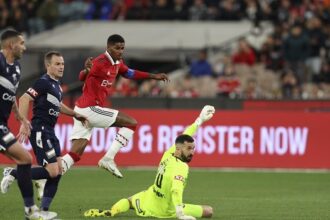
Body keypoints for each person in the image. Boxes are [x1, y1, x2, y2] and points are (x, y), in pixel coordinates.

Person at [60, 34, 169, 178]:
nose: (120, 51)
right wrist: (86, 70)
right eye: (117, 48)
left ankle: (45, 177)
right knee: (131, 123)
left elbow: (129, 73)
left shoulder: (117, 63)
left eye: (122, 48)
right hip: (90, 109)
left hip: (81, 109)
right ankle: (108, 159)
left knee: (75, 153)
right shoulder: (99, 62)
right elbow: (82, 77)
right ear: (108, 48)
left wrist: (153, 76)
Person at [84, 105, 215, 220]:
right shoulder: (181, 167)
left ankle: (112, 211)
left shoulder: (169, 153)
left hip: (149, 198)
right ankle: (175, 212)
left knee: (129, 201)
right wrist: (180, 213)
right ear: (179, 149)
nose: (192, 152)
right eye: (189, 149)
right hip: (165, 210)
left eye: (193, 148)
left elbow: (186, 134)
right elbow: (176, 190)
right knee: (209, 211)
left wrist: (200, 120)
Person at [1, 51, 88, 218]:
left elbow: (59, 105)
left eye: (62, 64)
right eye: (57, 64)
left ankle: (44, 211)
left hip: (50, 131)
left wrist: (75, 114)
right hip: (41, 130)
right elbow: (25, 99)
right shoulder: (43, 82)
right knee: (52, 171)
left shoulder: (56, 85)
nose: (61, 67)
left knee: (59, 170)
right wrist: (24, 123)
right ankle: (13, 173)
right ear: (48, 66)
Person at [0, 29, 57, 219]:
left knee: (25, 159)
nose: (25, 47)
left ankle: (30, 210)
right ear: (11, 45)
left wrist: (20, 117)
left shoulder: (16, 68)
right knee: (27, 160)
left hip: (3, 126)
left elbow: (10, 96)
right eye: (22, 43)